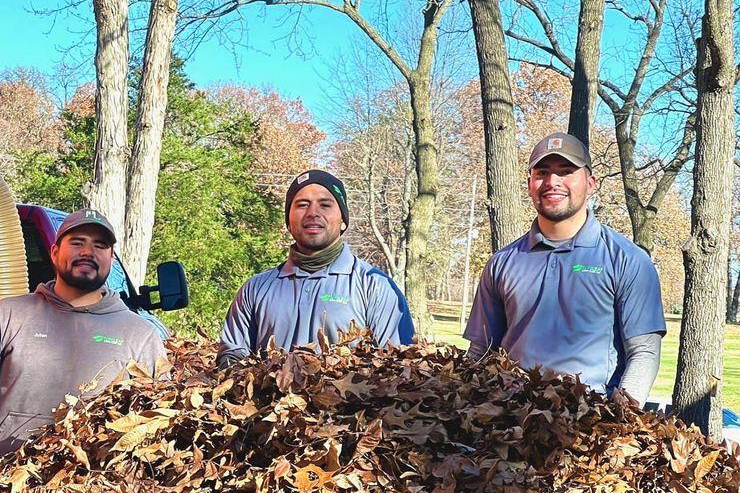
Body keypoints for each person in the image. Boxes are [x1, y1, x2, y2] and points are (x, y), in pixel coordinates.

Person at [0, 208, 168, 473]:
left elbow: (157, 418)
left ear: (111, 259)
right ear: (55, 252)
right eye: (77, 242)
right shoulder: (8, 316)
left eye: (99, 245)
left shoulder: (140, 334)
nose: (87, 252)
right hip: (6, 485)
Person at [464, 132, 665, 405]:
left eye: (566, 172)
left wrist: (619, 421)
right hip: (507, 421)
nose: (552, 182)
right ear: (529, 184)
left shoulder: (627, 260)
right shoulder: (502, 262)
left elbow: (643, 352)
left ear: (590, 183)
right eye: (542, 172)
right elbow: (480, 351)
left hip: (587, 424)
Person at [217, 169, 415, 367]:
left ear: (343, 221)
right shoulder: (255, 289)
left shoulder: (376, 287)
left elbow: (397, 369)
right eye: (302, 205)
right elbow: (231, 359)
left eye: (325, 204)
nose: (313, 213)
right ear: (288, 221)